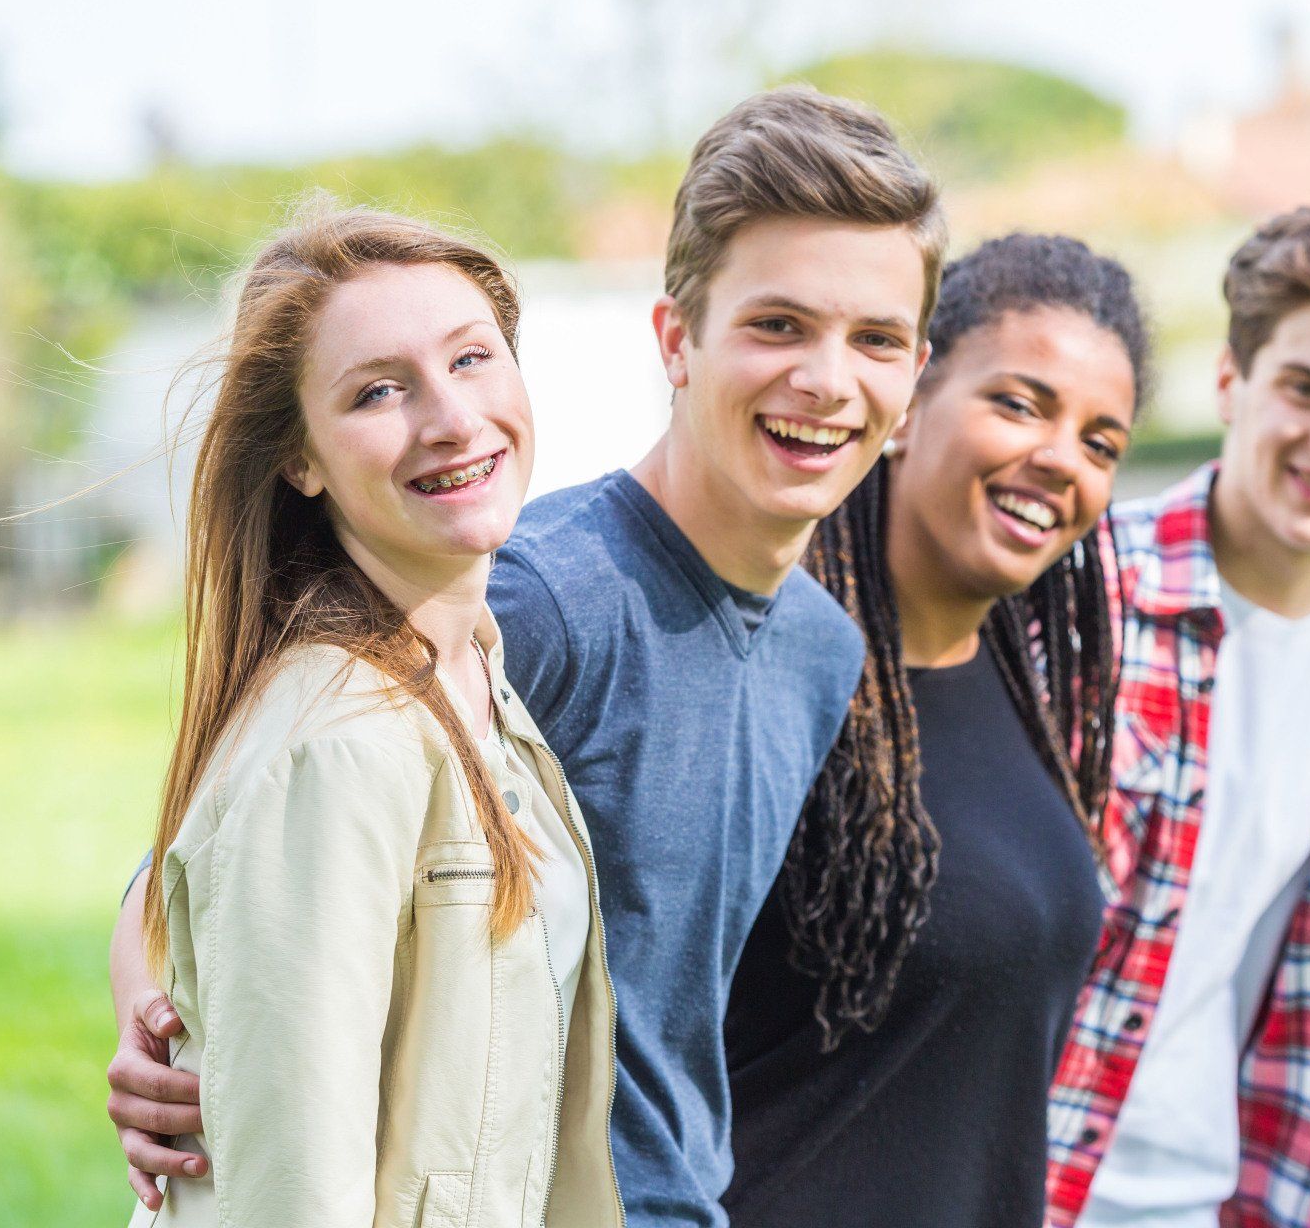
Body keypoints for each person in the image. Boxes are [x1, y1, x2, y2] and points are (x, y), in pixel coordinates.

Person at [104, 86, 946, 1228]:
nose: (827, 378)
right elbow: (228, 851)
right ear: (675, 340)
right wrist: (151, 1014)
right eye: (778, 325)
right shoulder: (536, 592)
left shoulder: (821, 648)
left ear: (911, 383)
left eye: (876, 339)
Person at [120, 202, 617, 1226]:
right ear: (299, 459)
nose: (450, 417)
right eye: (379, 391)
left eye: (472, 358)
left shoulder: (475, 675)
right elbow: (291, 1198)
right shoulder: (339, 741)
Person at [1047, 207, 1310, 1228]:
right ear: (1233, 382)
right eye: (1307, 389)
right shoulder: (1079, 602)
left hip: (1217, 1199)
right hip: (1027, 1189)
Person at [723, 234, 1147, 1227]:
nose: (1060, 458)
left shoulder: (1029, 690)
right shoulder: (763, 683)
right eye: (1019, 402)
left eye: (1101, 441)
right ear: (908, 404)